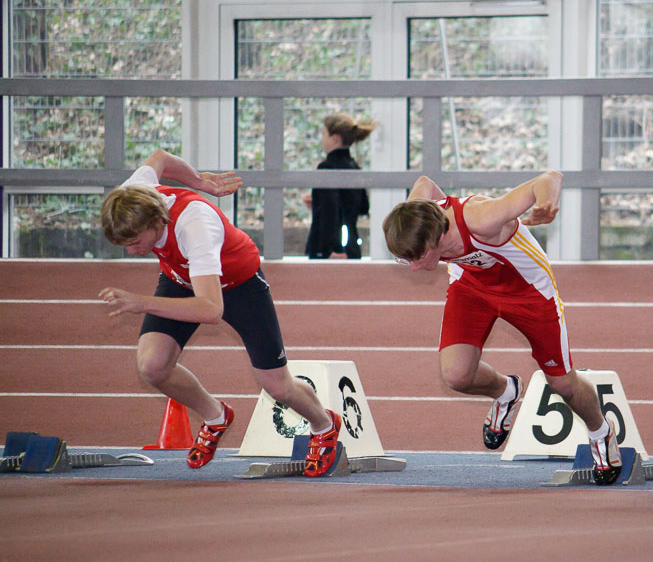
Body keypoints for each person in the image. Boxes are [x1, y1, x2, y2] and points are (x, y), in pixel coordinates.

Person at [100, 149, 341, 476]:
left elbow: (211, 309)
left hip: (239, 284)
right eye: (123, 244)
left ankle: (324, 425)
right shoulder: (132, 195)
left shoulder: (194, 225)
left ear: (158, 220)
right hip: (181, 277)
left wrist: (141, 303)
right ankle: (216, 416)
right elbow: (158, 158)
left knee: (278, 387)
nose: (131, 251)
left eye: (135, 241)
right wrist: (200, 181)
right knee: (153, 366)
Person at [382, 171, 623, 485]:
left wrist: (547, 203)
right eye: (405, 259)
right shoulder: (418, 215)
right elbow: (425, 183)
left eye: (417, 257)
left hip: (529, 292)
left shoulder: (484, 218)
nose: (414, 267)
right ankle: (505, 391)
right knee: (456, 375)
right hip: (471, 287)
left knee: (562, 385)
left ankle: (601, 432)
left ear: (438, 237)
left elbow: (549, 178)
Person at [304, 113, 376, 259]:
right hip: (351, 245)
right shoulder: (354, 166)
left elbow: (329, 210)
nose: (322, 139)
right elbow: (363, 206)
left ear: (335, 138)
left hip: (331, 249)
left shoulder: (327, 167)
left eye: (324, 134)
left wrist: (330, 248)